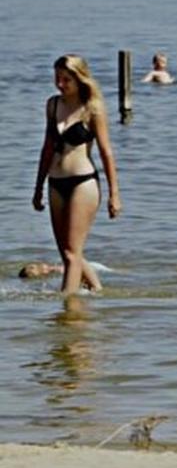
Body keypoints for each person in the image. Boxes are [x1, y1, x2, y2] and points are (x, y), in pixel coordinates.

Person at [32, 55, 121, 294]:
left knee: (71, 253)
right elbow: (47, 148)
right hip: (55, 182)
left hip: (83, 183)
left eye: (66, 79)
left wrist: (114, 194)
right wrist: (38, 187)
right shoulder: (52, 105)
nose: (60, 84)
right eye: (57, 78)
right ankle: (97, 290)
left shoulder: (92, 108)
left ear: (79, 78)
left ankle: (67, 308)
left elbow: (106, 152)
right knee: (68, 251)